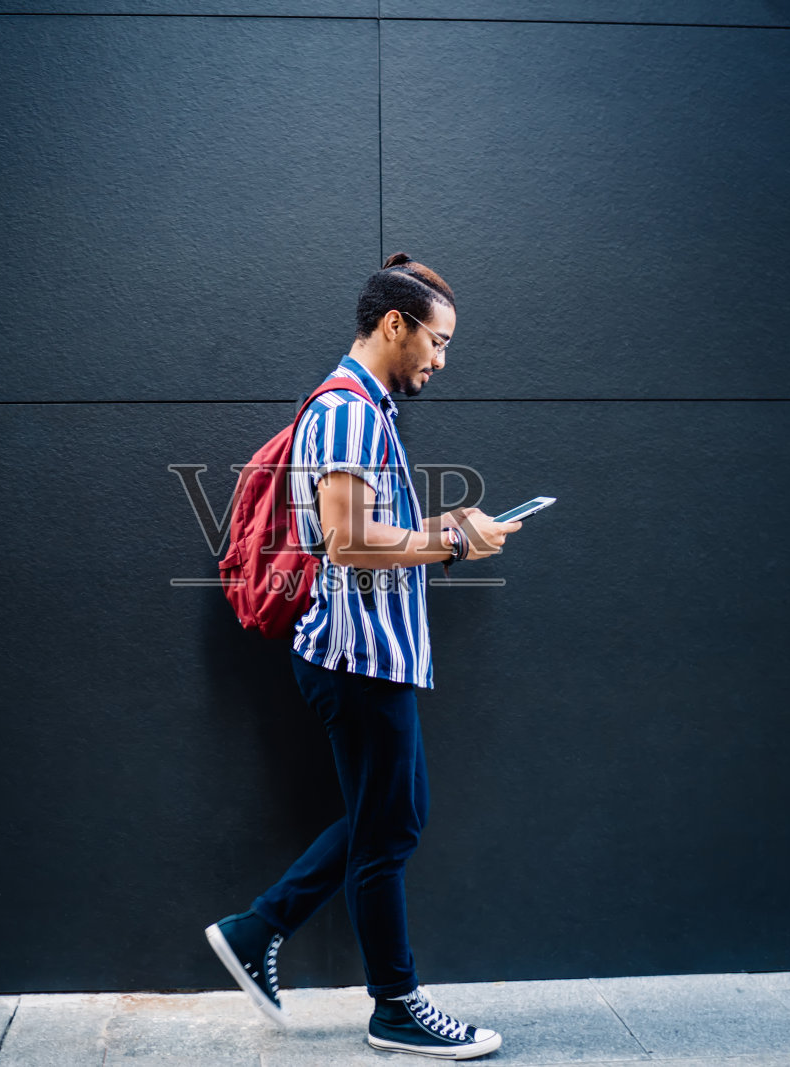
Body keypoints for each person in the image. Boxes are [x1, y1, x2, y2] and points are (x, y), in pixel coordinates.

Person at [205, 253, 520, 1060]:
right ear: (393, 324)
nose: (441, 360)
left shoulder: (364, 408)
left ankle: (255, 928)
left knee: (393, 818)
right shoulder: (348, 412)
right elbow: (347, 541)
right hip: (357, 658)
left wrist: (452, 530)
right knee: (386, 836)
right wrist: (453, 543)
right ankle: (396, 1006)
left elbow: (365, 533)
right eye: (437, 342)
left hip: (371, 655)